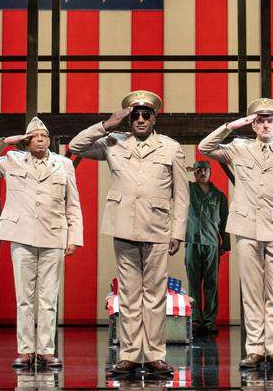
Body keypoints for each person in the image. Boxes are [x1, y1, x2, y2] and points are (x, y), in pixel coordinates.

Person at [69, 90, 188, 377]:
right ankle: (130, 355)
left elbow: (182, 195)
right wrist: (108, 124)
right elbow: (76, 145)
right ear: (128, 119)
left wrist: (178, 231)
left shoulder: (170, 147)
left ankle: (156, 355)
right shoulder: (114, 142)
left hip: (159, 228)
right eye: (135, 115)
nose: (140, 119)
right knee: (130, 294)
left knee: (155, 294)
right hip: (123, 226)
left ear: (155, 118)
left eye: (146, 114)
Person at [197, 98, 273, 370]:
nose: (265, 125)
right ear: (253, 125)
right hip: (246, 228)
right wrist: (232, 125)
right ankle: (255, 349)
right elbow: (204, 147)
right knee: (252, 292)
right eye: (260, 120)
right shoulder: (238, 148)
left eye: (269, 120)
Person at [0, 116, 83, 369]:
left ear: (49, 140)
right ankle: (25, 350)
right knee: (24, 297)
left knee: (48, 298)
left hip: (54, 235)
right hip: (21, 235)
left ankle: (45, 351)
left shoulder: (63, 164)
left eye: (43, 136)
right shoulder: (11, 160)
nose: (40, 140)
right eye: (34, 136)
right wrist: (5, 142)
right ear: (26, 141)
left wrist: (74, 237)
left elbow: (72, 204)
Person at [185, 160, 229, 337]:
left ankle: (210, 322)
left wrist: (225, 244)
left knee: (211, 284)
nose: (202, 173)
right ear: (194, 173)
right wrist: (183, 168)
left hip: (211, 244)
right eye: (198, 170)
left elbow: (225, 221)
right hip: (192, 242)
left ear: (210, 172)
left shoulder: (219, 196)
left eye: (205, 170)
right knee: (193, 283)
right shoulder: (188, 190)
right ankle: (195, 320)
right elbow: (172, 180)